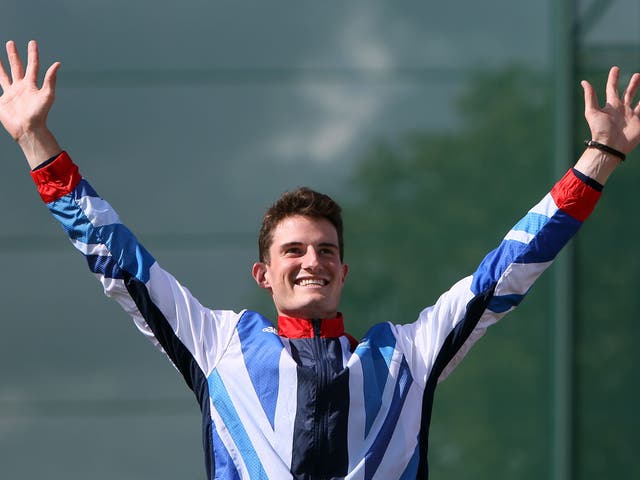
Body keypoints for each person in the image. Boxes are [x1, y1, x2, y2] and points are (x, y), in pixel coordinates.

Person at [1, 40, 639, 480]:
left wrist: (599, 157)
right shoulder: (218, 344)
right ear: (264, 273)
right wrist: (35, 139)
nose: (312, 261)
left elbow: (509, 269)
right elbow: (118, 262)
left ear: (343, 270)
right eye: (294, 250)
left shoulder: (406, 357)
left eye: (327, 250)